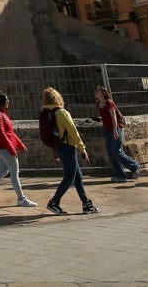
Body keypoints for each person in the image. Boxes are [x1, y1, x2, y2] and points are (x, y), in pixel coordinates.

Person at [40, 87, 99, 215]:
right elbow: (74, 133)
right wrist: (82, 149)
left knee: (77, 176)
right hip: (67, 147)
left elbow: (50, 134)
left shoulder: (45, 113)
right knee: (70, 177)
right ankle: (54, 202)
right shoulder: (62, 113)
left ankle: (86, 203)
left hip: (58, 147)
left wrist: (54, 150)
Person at [0, 92, 37, 207]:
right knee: (14, 173)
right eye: (6, 100)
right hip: (4, 148)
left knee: (3, 171)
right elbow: (1, 133)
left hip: (4, 147)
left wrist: (20, 144)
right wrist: (12, 148)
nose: (8, 102)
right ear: (1, 102)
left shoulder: (2, 113)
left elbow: (10, 132)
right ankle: (21, 199)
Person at [94, 86, 141, 182]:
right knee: (111, 154)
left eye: (98, 91)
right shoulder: (98, 104)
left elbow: (113, 117)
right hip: (107, 130)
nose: (96, 92)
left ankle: (134, 166)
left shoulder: (109, 102)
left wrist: (115, 130)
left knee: (117, 152)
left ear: (103, 93)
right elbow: (104, 116)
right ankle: (120, 175)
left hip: (115, 129)